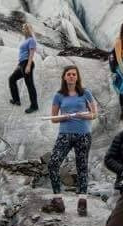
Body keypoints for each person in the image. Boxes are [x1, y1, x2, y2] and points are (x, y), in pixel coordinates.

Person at [41, 65, 98, 217]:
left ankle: (82, 202)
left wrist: (82, 115)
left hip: (83, 135)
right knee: (53, 163)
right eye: (69, 74)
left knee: (82, 167)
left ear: (77, 77)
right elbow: (53, 119)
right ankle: (58, 199)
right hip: (64, 135)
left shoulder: (86, 93)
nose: (71, 76)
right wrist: (63, 117)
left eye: (74, 74)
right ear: (64, 77)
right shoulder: (59, 95)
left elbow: (94, 114)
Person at [8, 23, 39, 114]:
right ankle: (16, 100)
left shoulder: (31, 40)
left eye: (24, 28)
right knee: (12, 79)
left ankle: (34, 106)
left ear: (28, 30)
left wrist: (29, 65)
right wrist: (18, 66)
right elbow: (22, 54)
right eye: (22, 28)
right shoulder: (25, 41)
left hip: (27, 63)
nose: (23, 30)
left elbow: (31, 53)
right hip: (22, 64)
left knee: (30, 85)